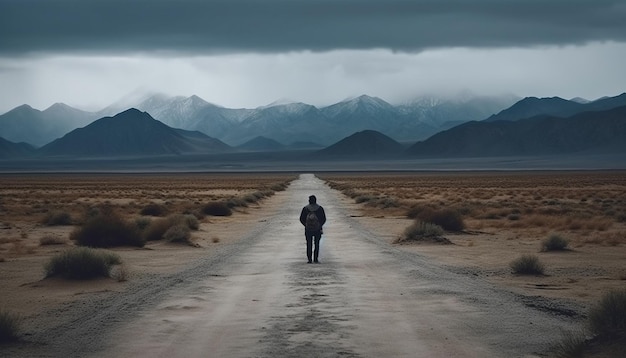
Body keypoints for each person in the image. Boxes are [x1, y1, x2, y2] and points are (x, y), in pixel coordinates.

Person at [299, 195, 326, 263]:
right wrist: (319, 225)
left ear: (309, 201)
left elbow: (301, 219)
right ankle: (316, 259)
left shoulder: (305, 209)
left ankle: (309, 259)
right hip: (318, 229)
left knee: (309, 244)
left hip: (308, 230)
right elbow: (324, 219)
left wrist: (306, 225)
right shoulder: (320, 209)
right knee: (317, 244)